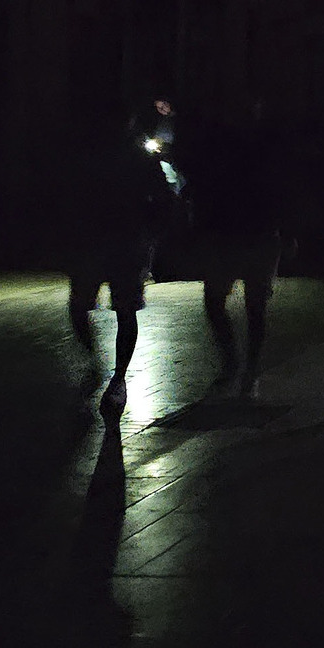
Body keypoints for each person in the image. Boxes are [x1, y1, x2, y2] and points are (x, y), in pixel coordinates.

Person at [67, 106, 175, 416]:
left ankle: (115, 375)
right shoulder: (122, 155)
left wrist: (149, 233)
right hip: (113, 241)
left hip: (120, 241)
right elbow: (165, 200)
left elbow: (163, 200)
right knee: (106, 308)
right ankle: (111, 373)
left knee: (114, 308)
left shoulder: (125, 156)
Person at [181, 100, 283, 396]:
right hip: (243, 234)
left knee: (236, 305)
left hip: (245, 234)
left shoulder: (237, 151)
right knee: (244, 306)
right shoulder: (246, 150)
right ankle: (243, 365)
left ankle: (240, 364)